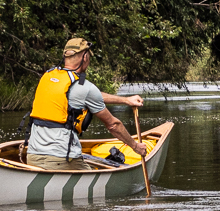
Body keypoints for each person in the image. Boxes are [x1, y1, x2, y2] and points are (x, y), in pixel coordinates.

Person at [25, 37, 148, 171]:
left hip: (33, 155)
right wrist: (136, 147)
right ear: (84, 57)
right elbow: (113, 125)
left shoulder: (47, 77)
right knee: (93, 171)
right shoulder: (85, 87)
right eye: (89, 57)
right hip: (62, 158)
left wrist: (126, 100)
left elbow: (89, 96)